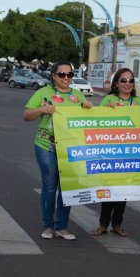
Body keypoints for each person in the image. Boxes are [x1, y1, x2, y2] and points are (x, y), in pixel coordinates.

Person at [24, 61, 93, 241]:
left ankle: (62, 226)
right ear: (53, 76)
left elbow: (88, 119)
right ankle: (48, 226)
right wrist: (42, 109)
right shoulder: (43, 93)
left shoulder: (78, 96)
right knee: (49, 185)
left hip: (70, 148)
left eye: (69, 74)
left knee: (66, 186)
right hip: (47, 145)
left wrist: (87, 108)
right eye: (61, 74)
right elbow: (27, 116)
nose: (66, 78)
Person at [91, 68, 140, 237]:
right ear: (116, 83)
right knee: (109, 189)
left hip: (130, 152)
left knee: (123, 190)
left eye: (130, 80)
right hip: (111, 151)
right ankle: (103, 224)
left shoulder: (139, 101)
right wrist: (105, 111)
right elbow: (97, 122)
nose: (127, 84)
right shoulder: (109, 99)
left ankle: (117, 224)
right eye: (123, 80)